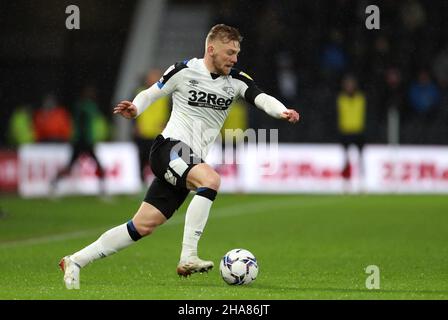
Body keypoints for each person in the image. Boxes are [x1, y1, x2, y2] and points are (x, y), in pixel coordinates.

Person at [59, 24, 299, 289]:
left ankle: (76, 260)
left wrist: (282, 111)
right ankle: (188, 255)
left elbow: (261, 97)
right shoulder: (183, 71)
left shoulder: (237, 80)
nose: (235, 58)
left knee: (142, 226)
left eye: (237, 53)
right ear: (211, 49)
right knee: (210, 179)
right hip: (169, 147)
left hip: (187, 159)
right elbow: (152, 92)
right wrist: (136, 107)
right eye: (230, 52)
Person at [51, 85, 106, 195]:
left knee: (71, 166)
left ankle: (54, 183)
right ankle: (103, 191)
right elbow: (82, 126)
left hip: (80, 141)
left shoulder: (82, 106)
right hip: (83, 142)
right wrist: (87, 139)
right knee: (98, 166)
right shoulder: (86, 107)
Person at [133, 69, 170, 186]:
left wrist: (166, 124)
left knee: (158, 161)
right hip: (143, 132)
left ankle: (160, 184)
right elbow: (132, 110)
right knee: (142, 159)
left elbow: (170, 111)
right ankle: (142, 184)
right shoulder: (139, 92)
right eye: (151, 76)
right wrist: (135, 125)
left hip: (158, 133)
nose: (153, 79)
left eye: (155, 76)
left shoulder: (165, 94)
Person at [336, 74, 366, 186]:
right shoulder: (341, 98)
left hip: (358, 131)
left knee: (361, 158)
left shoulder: (360, 98)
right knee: (346, 159)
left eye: (351, 84)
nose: (349, 86)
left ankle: (362, 182)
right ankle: (346, 182)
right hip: (345, 132)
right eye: (347, 85)